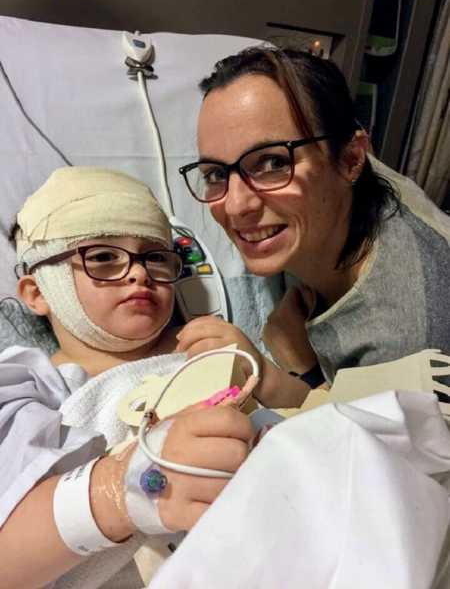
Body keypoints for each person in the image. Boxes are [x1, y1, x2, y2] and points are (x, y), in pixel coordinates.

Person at [0, 166, 254, 589]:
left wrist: (264, 375)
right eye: (102, 257)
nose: (138, 272)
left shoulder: (211, 346)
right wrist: (130, 485)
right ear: (38, 292)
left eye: (155, 257)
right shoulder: (30, 384)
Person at [176, 45, 450, 405]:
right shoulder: (349, 193)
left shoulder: (407, 341)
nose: (236, 205)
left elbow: (364, 451)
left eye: (272, 162)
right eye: (215, 173)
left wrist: (299, 366)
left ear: (352, 159)